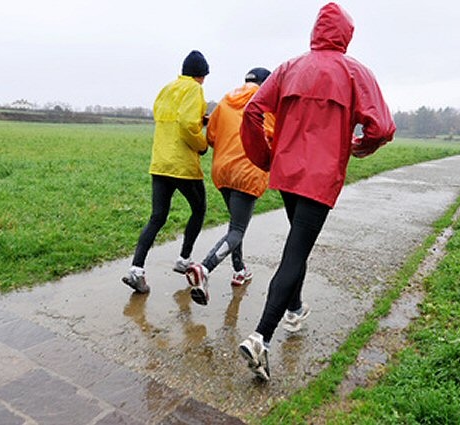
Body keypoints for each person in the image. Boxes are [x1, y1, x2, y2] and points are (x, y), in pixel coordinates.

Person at [238, 2, 396, 381]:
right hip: (320, 178)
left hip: (288, 172)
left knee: (298, 243)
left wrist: (266, 157)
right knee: (296, 251)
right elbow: (383, 127)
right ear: (345, 35)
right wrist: (361, 145)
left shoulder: (290, 67)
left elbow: (252, 110)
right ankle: (261, 336)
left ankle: (294, 309)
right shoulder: (355, 72)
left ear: (316, 31)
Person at [122, 50, 210, 294]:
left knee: (157, 216)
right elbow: (184, 124)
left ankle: (136, 270)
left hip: (160, 162)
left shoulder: (167, 88)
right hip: (181, 165)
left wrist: (199, 119)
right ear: (201, 75)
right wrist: (202, 145)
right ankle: (183, 260)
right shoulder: (194, 89)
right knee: (199, 209)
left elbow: (171, 117)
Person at [185, 67, 274, 306]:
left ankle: (239, 270)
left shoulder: (225, 101)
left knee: (236, 225)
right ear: (266, 84)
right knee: (237, 229)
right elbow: (274, 137)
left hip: (222, 170)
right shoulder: (265, 105)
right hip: (248, 170)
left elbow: (211, 136)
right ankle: (204, 268)